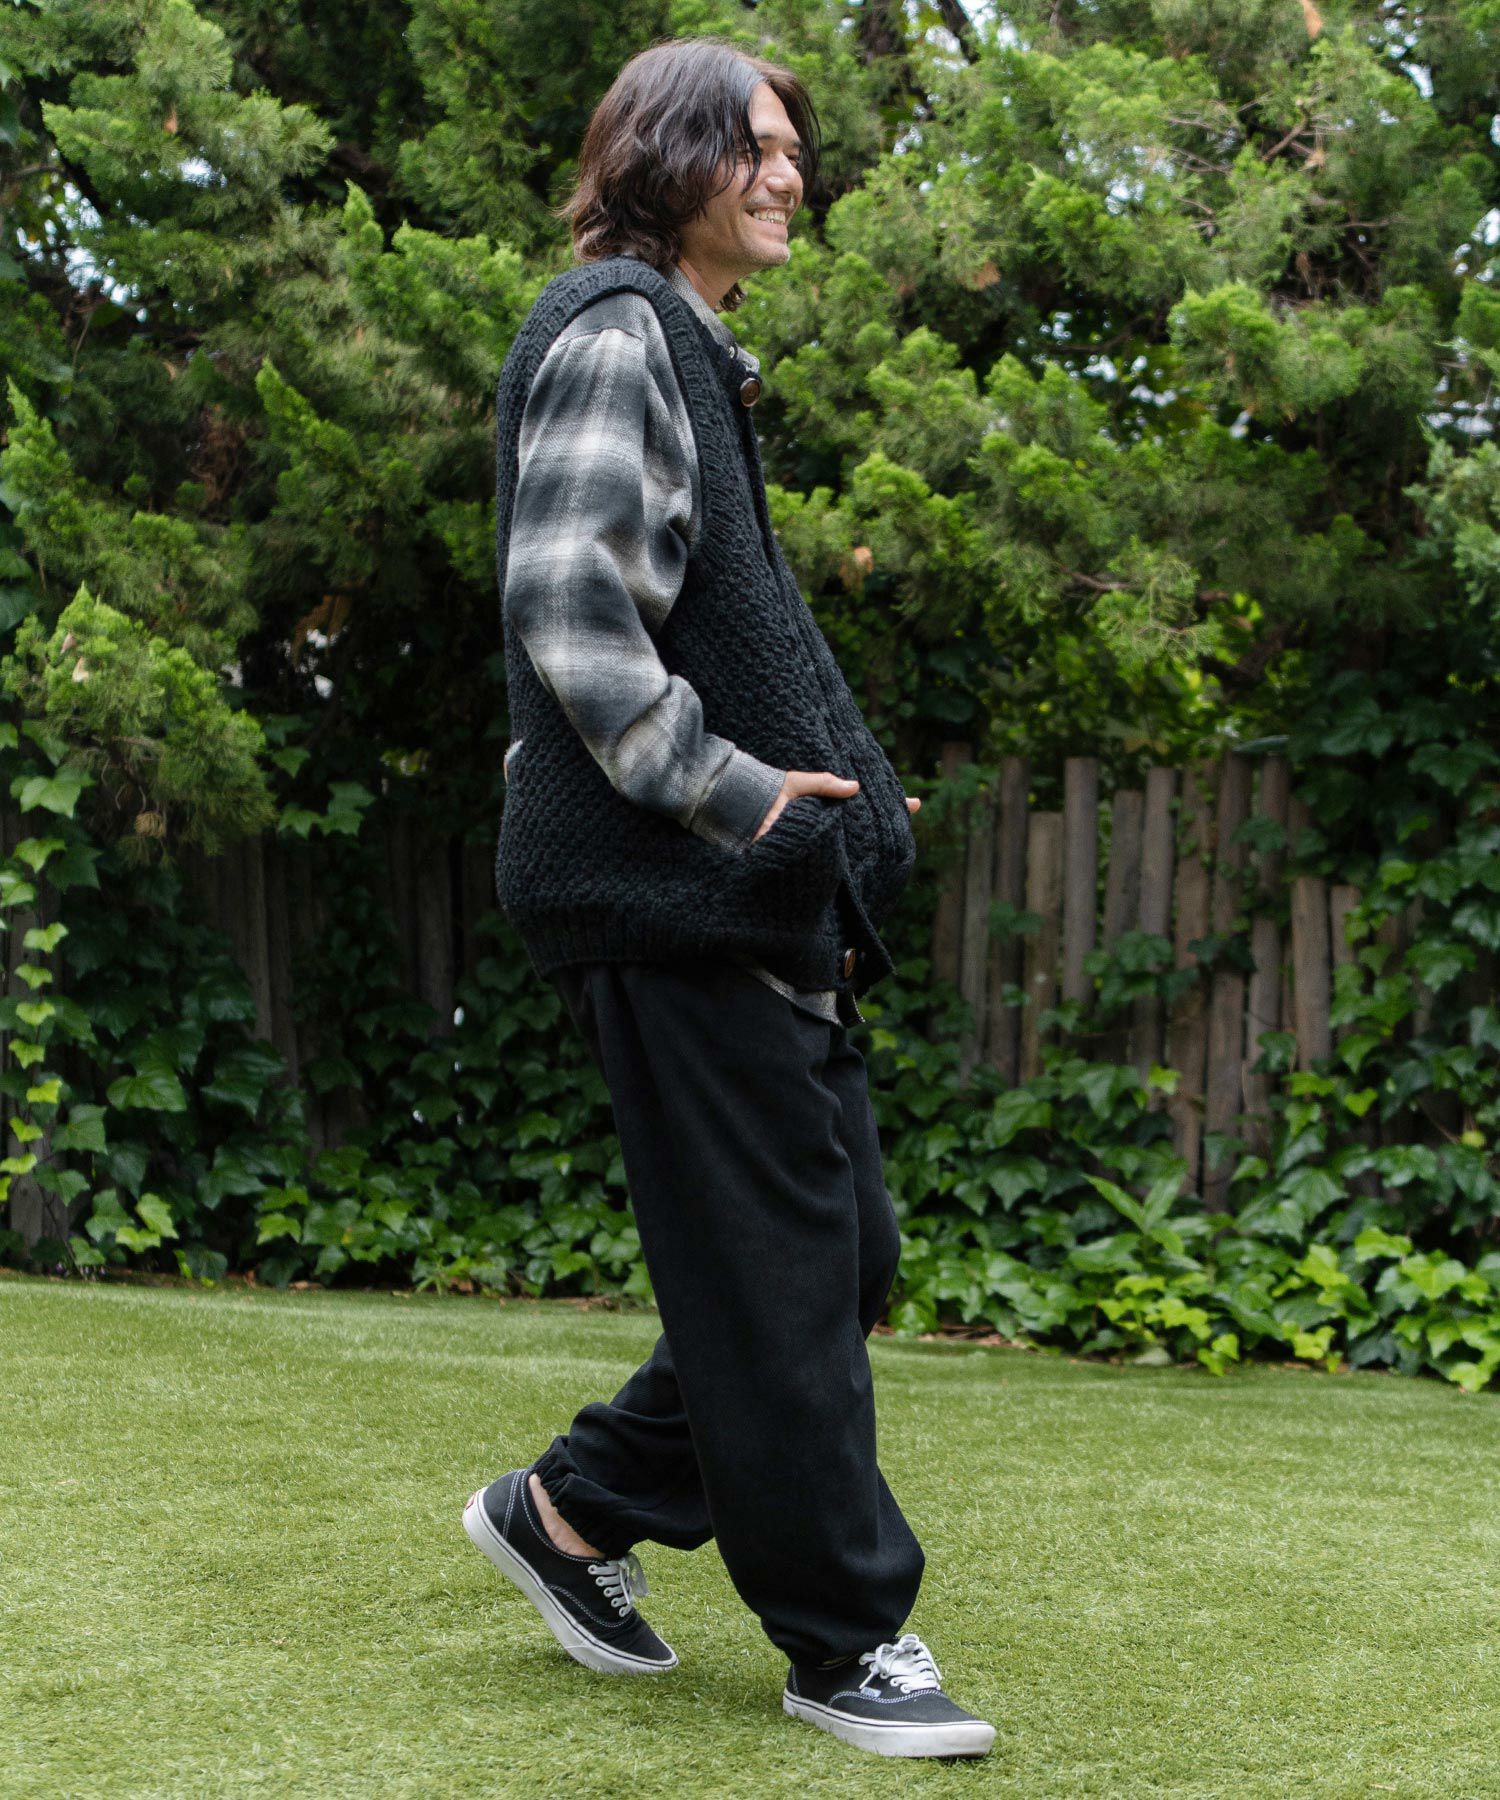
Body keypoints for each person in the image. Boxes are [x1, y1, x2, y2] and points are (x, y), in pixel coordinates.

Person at [463, 34, 995, 1762]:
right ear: (665, 159)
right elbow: (572, 615)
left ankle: (568, 1512)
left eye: (793, 149)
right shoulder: (618, 336)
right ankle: (847, 1640)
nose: (786, 174)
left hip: (739, 901)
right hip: (673, 891)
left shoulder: (687, 350)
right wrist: (741, 793)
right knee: (779, 1283)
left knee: (838, 1261)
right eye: (752, 146)